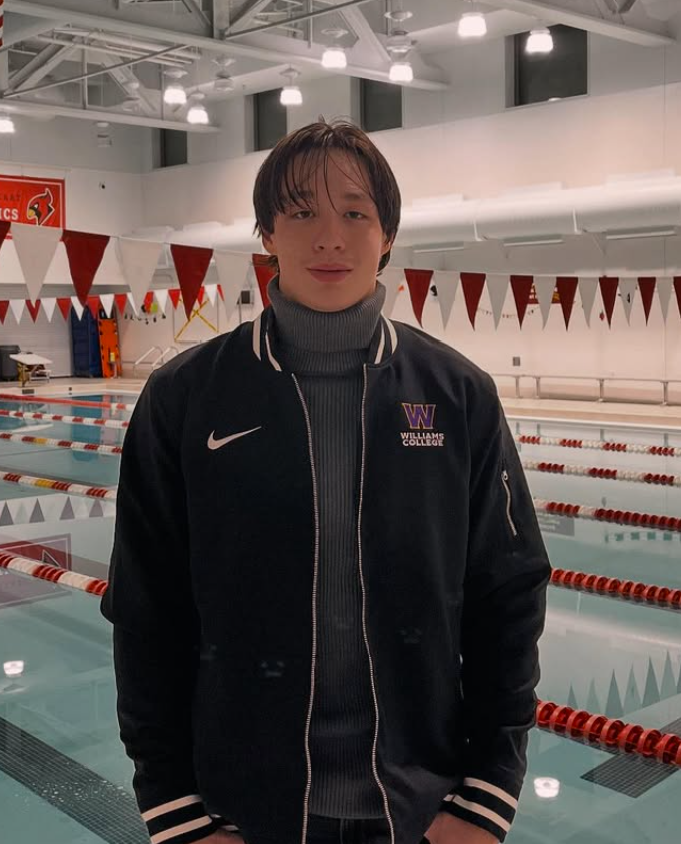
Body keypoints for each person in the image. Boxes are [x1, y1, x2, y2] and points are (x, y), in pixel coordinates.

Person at [102, 120, 551, 844]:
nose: (330, 239)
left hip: (419, 805)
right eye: (302, 213)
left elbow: (508, 592)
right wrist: (172, 805)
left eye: (354, 213)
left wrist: (488, 791)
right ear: (267, 234)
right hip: (239, 810)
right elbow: (145, 607)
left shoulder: (457, 393)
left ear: (387, 234)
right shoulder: (186, 396)